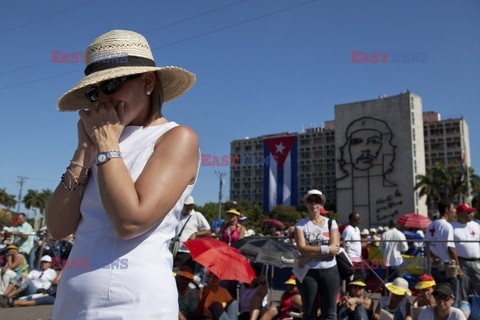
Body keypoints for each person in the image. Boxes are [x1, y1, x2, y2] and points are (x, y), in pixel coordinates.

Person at [45, 29, 199, 319]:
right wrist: (83, 152)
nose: (103, 98)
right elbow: (57, 227)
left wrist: (105, 145)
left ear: (148, 82)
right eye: (95, 91)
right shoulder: (104, 138)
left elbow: (130, 221)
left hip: (135, 302)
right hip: (72, 302)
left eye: (112, 84)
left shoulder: (176, 138)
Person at [293, 189, 341, 320]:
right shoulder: (300, 225)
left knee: (330, 314)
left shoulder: (331, 223)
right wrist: (326, 250)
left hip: (330, 271)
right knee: (309, 313)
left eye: (317, 200)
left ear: (321, 204)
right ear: (306, 204)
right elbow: (302, 248)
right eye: (310, 200)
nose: (314, 203)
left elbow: (335, 248)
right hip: (309, 273)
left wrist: (309, 255)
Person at [425, 200, 463, 307]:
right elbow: (451, 248)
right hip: (448, 268)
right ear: (446, 210)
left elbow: (426, 246)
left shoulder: (431, 225)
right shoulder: (447, 226)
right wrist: (458, 267)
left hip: (435, 267)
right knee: (453, 298)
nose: (455, 211)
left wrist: (433, 256)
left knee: (439, 298)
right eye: (453, 209)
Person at [174, 195, 212, 270]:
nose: (189, 207)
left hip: (187, 252)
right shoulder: (179, 214)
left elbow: (208, 231)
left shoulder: (197, 215)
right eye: (187, 205)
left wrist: (195, 234)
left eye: (190, 205)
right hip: (175, 250)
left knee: (184, 275)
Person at [452, 203, 480, 297]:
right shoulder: (452, 226)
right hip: (461, 262)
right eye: (468, 212)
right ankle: (465, 309)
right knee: (463, 290)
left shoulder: (476, 225)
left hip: (476, 262)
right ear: (460, 214)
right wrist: (457, 265)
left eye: (471, 212)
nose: (471, 214)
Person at [342, 212, 364, 280]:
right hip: (351, 258)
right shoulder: (348, 230)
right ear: (351, 219)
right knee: (355, 278)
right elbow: (344, 244)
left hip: (358, 257)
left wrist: (361, 256)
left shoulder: (357, 229)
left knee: (359, 277)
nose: (359, 220)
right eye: (357, 218)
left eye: (359, 218)